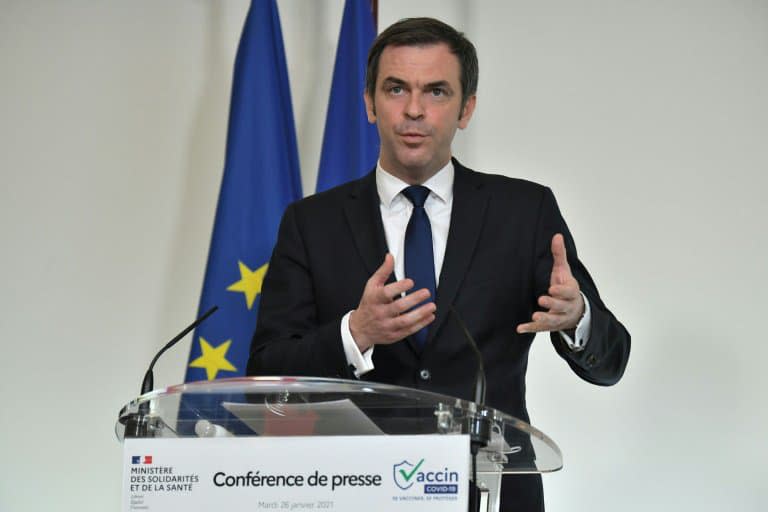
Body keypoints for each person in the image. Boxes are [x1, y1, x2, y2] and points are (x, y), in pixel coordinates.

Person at [247, 17, 630, 511]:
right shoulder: (310, 223)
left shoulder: (524, 212)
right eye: (395, 89)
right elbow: (265, 374)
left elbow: (612, 362)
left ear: (466, 108)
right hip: (353, 493)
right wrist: (355, 332)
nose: (413, 110)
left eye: (436, 92)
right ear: (369, 103)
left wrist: (578, 317)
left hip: (490, 493)